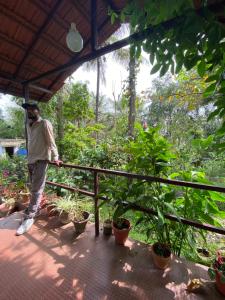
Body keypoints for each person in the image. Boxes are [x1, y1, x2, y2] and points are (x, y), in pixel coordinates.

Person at [16, 102, 62, 235]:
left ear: (37, 111)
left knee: (36, 189)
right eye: (27, 110)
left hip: (41, 160)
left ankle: (29, 217)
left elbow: (51, 141)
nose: (29, 112)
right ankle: (34, 210)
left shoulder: (44, 123)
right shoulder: (28, 125)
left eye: (31, 109)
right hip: (30, 161)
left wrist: (56, 156)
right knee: (33, 188)